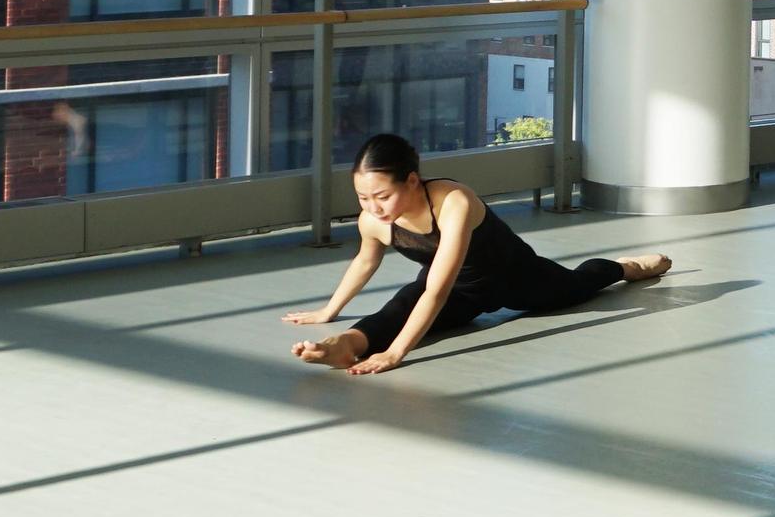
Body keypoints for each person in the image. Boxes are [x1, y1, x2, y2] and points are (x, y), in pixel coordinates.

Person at [285, 132, 671, 375]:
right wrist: (327, 311)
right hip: (461, 292)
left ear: (413, 180)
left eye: (383, 196)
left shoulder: (454, 201)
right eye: (363, 197)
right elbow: (365, 262)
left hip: (516, 277)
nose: (374, 207)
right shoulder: (372, 222)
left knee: (577, 286)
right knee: (393, 311)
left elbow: (437, 288)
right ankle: (344, 345)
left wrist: (397, 353)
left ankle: (624, 266)